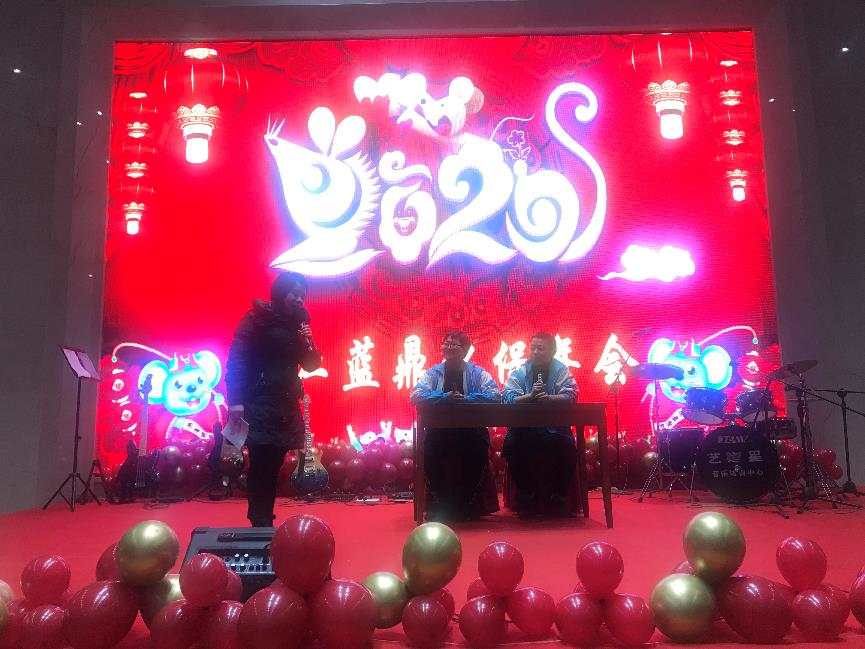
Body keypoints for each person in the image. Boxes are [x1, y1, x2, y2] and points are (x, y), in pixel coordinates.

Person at [225, 272, 321, 527]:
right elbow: (237, 360)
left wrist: (308, 343)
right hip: (258, 400)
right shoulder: (257, 319)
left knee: (275, 462)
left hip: (284, 404)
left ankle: (264, 516)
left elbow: (311, 365)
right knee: (261, 462)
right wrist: (235, 401)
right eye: (294, 293)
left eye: (302, 295)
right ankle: (260, 519)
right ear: (280, 292)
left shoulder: (298, 324)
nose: (299, 299)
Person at [410, 330, 501, 521]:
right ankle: (441, 504)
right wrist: (443, 397)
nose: (449, 347)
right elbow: (416, 396)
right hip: (439, 432)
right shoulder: (434, 373)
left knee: (478, 451)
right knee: (429, 452)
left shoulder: (477, 373)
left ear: (466, 350)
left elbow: (495, 395)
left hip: (472, 430)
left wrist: (467, 399)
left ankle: (468, 505)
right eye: (446, 343)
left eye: (454, 344)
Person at [502, 332, 578, 517]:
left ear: (552, 351)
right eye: (533, 348)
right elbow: (508, 397)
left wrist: (550, 398)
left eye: (541, 348)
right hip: (524, 429)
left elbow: (570, 394)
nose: (535, 352)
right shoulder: (520, 371)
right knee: (511, 445)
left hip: (555, 429)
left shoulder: (561, 370)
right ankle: (526, 498)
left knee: (567, 448)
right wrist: (530, 397)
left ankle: (558, 498)